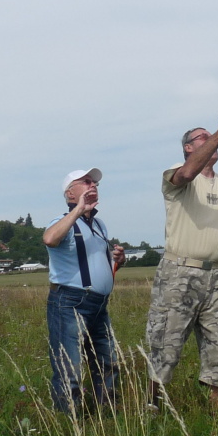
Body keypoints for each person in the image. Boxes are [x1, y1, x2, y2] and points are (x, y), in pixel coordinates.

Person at [146, 102, 218, 411]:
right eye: (202, 137)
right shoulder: (176, 177)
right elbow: (189, 171)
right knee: (165, 347)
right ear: (187, 147)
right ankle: (151, 412)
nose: (209, 139)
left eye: (210, 136)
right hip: (179, 273)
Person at [43, 168, 126, 414]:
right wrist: (78, 210)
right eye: (86, 181)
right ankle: (70, 422)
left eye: (95, 182)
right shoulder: (61, 221)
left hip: (99, 303)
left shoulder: (99, 225)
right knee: (70, 366)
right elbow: (50, 239)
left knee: (108, 362)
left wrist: (118, 261)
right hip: (70, 302)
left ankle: (107, 415)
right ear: (70, 193)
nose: (93, 185)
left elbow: (97, 263)